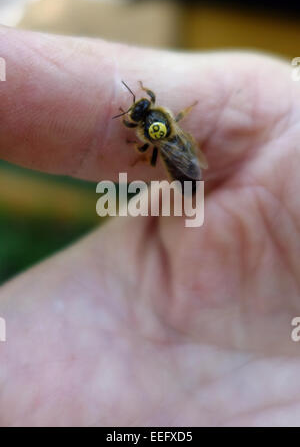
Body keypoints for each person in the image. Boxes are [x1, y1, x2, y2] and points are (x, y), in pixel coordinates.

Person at [0, 26, 300, 427]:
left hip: (181, 149)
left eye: (139, 107)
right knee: (173, 151)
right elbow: (159, 125)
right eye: (136, 111)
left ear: (150, 111)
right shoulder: (160, 123)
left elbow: (148, 133)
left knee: (162, 152)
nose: (139, 112)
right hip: (183, 148)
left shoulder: (152, 127)